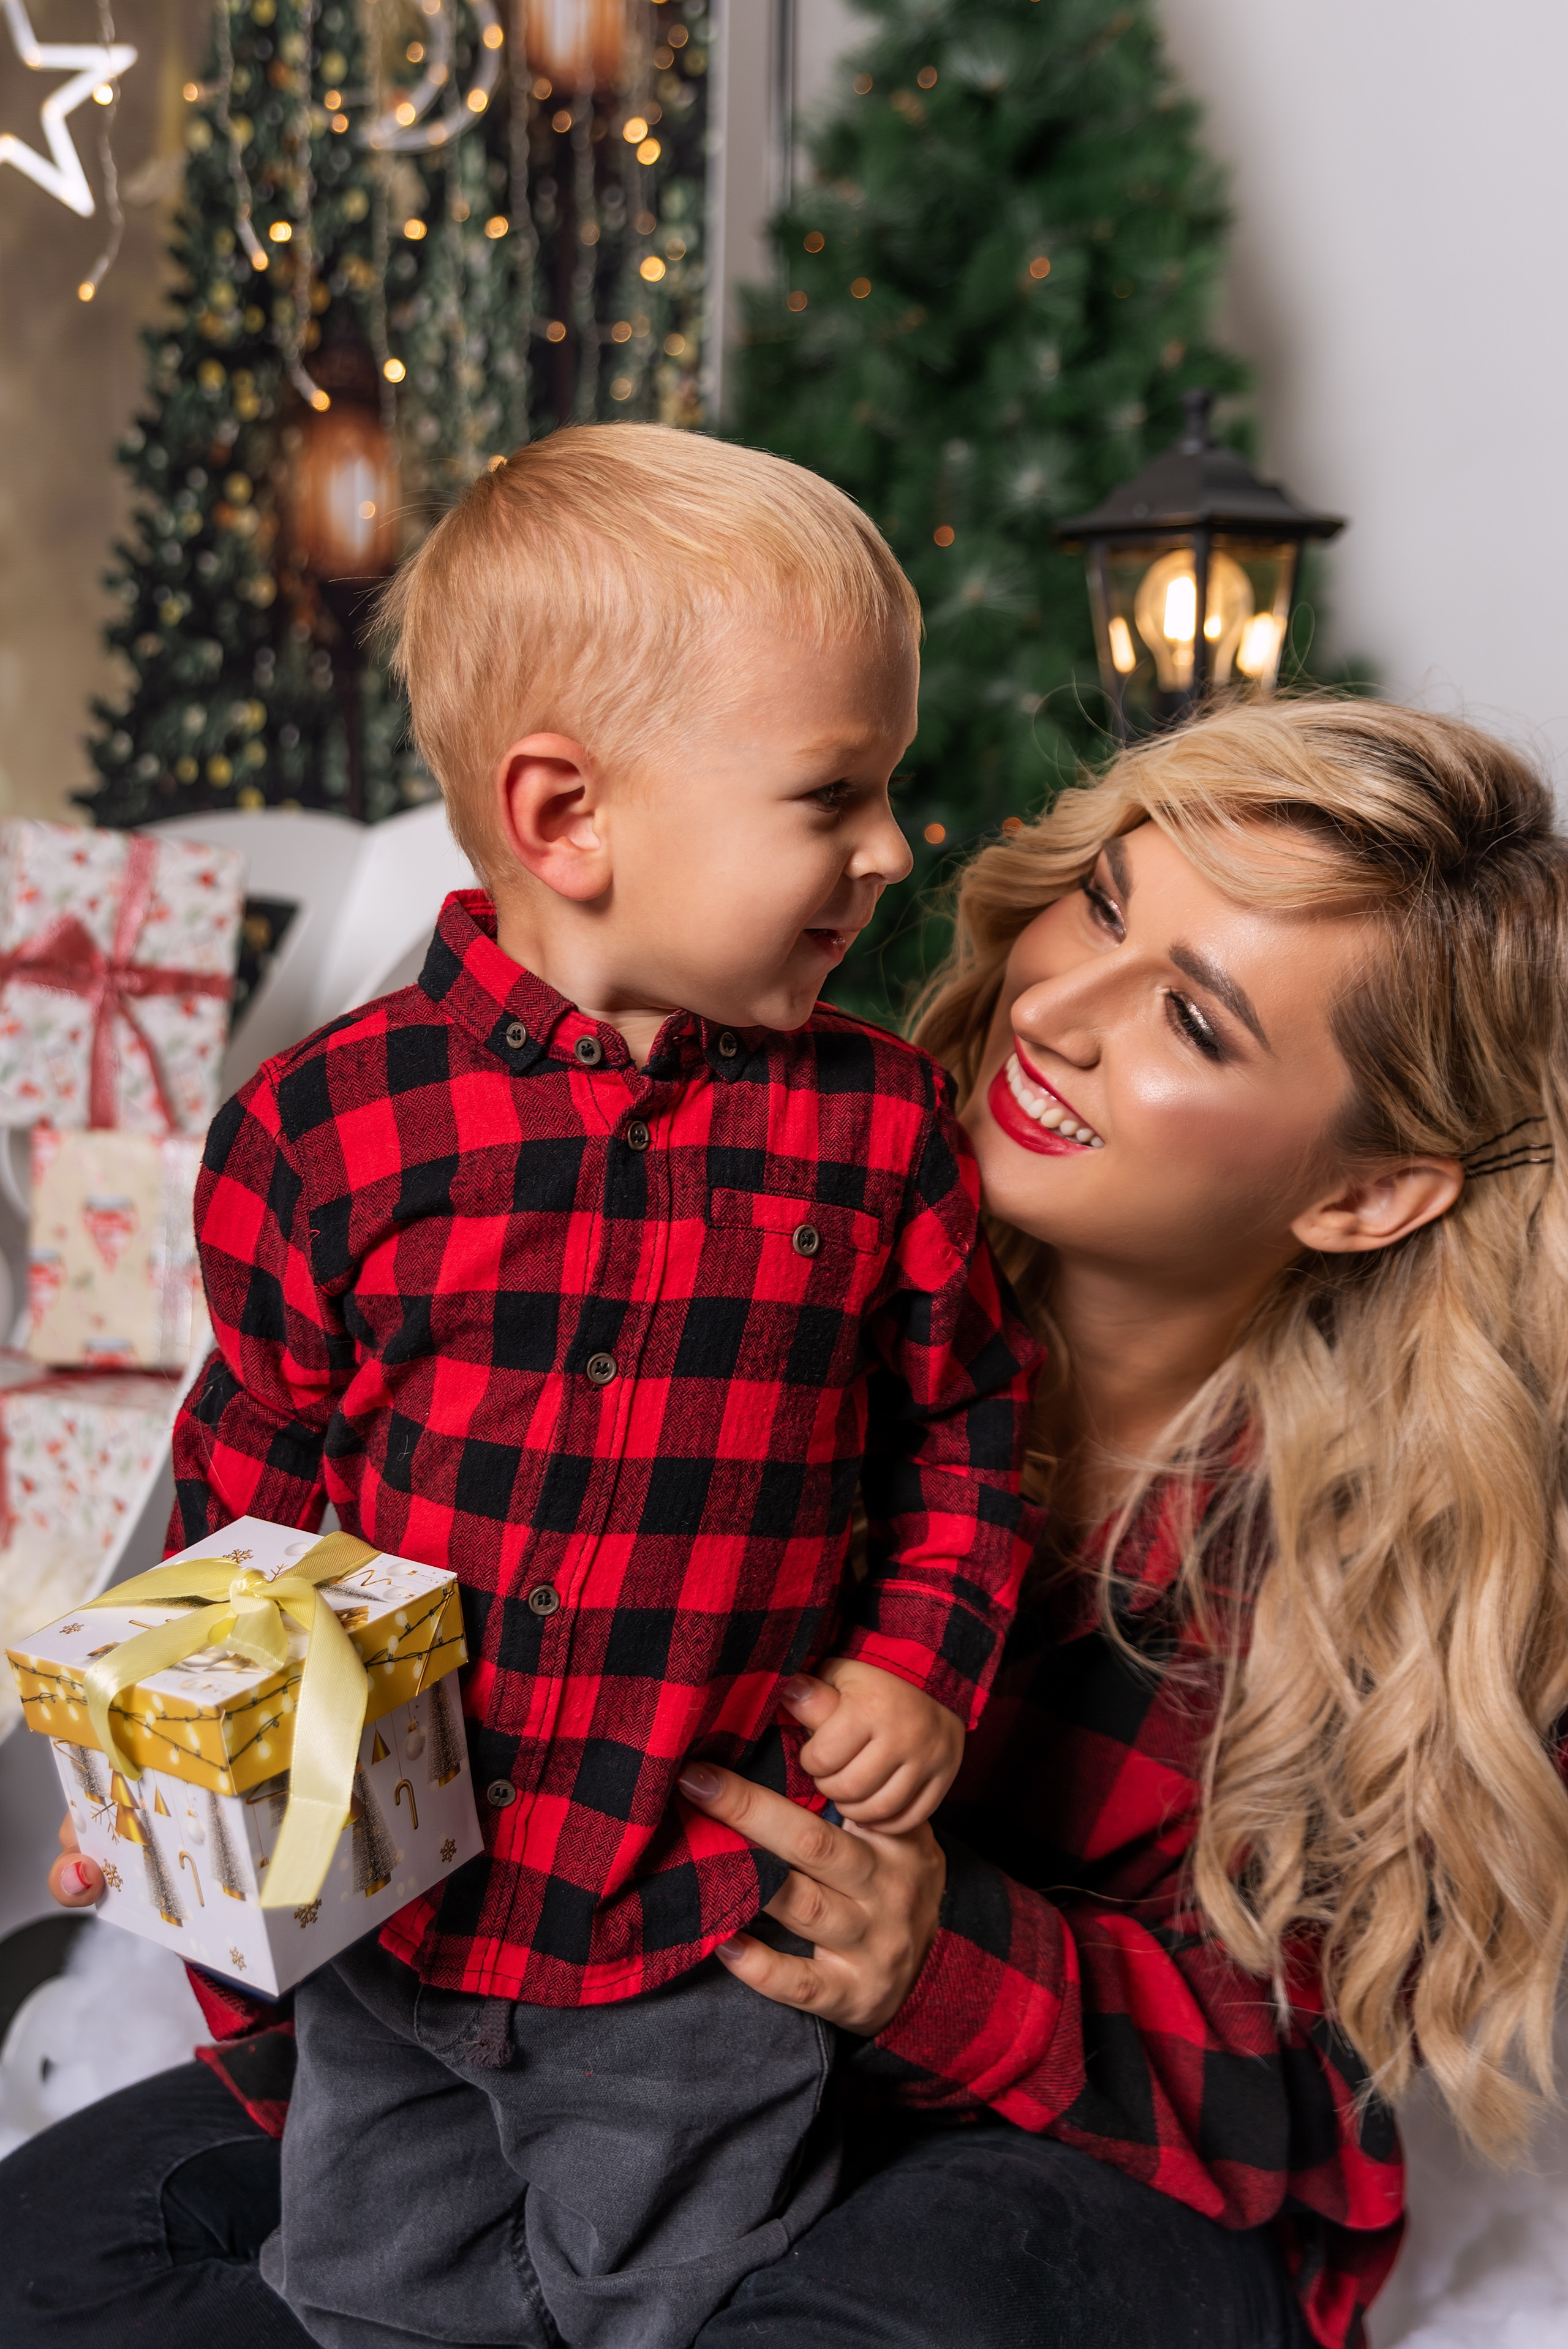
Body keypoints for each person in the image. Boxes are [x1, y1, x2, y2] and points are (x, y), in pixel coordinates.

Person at [9, 695, 1566, 2349]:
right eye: (1102, 905)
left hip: (1023, 2159)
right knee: (58, 2258)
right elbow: (333, 1540)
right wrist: (243, 1845)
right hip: (565, 2009)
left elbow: (1319, 2120)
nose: (1062, 1007)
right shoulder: (767, 1223)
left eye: (1196, 1017)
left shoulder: (1405, 1555)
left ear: (1361, 1191)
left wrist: (941, 1957)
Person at [10, 424, 1040, 2349]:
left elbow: (968, 1432)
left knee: (679, 2299)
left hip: (695, 1919)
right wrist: (194, 1817)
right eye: (837, 795)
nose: (896, 849)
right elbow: (248, 1499)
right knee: (374, 2296)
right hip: (394, 1913)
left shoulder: (880, 1129)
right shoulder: (330, 1132)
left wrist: (920, 1660)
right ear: (567, 817)